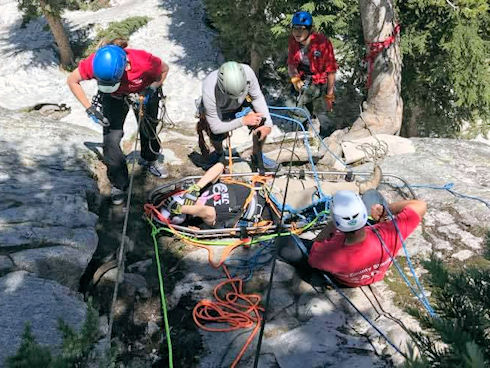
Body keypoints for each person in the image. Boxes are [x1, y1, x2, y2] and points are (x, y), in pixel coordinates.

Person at [67, 39, 170, 205]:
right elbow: (72, 80)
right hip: (113, 98)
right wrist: (90, 109)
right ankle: (118, 182)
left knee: (148, 128)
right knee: (110, 140)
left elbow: (164, 70)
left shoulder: (143, 61)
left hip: (142, 93)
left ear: (126, 66)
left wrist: (151, 88)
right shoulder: (95, 63)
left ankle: (150, 159)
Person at [278, 189, 427, 287]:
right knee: (371, 195)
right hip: (375, 264)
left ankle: (319, 277)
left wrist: (331, 226)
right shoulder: (389, 233)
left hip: (346, 279)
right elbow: (420, 205)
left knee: (284, 244)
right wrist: (385, 211)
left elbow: (316, 244)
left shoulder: (328, 253)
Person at [198, 61, 274, 170]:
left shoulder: (248, 73)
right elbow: (216, 127)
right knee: (216, 136)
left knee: (260, 123)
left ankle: (257, 155)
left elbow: (257, 97)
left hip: (240, 105)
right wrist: (243, 121)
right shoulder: (209, 88)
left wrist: (267, 125)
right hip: (219, 109)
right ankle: (219, 154)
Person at [158, 163, 275, 229]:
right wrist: (182, 208)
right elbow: (209, 212)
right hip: (263, 210)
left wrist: (196, 188)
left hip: (263, 190)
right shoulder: (198, 220)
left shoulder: (200, 191)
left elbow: (219, 167)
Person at [287, 11, 338, 137]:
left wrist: (329, 95)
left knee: (297, 103)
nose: (297, 33)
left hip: (319, 79)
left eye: (301, 29)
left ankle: (312, 127)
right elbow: (291, 64)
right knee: (291, 102)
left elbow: (331, 70)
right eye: (295, 29)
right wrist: (295, 77)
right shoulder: (294, 42)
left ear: (309, 30)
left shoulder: (322, 43)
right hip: (303, 76)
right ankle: (306, 128)